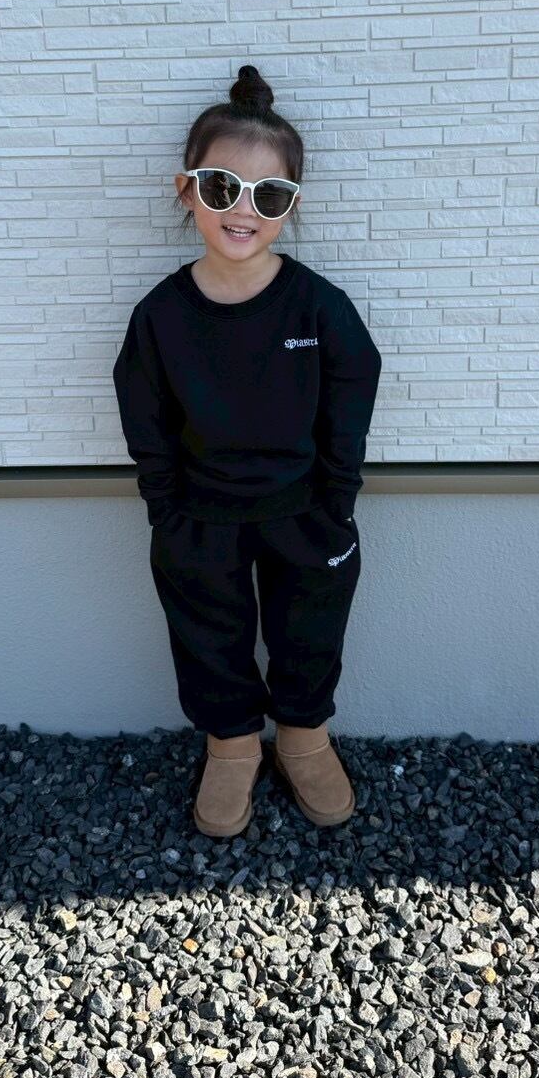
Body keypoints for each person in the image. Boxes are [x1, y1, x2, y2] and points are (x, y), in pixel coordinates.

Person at [111, 65, 382, 838]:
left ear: (291, 206)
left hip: (306, 511)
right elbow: (144, 414)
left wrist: (337, 499)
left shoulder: (320, 308)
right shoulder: (161, 317)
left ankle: (303, 737)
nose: (242, 209)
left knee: (311, 630)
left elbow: (352, 396)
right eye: (222, 186)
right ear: (186, 190)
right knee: (208, 635)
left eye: (269, 195)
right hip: (199, 516)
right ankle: (230, 744)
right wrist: (165, 506)